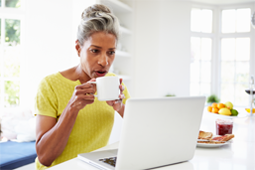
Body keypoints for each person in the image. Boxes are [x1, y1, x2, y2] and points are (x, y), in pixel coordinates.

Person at [34, 4, 130, 170]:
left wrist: (120, 108)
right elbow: (45, 157)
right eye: (95, 51)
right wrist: (72, 108)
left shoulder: (115, 85)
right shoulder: (49, 85)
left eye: (111, 52)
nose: (104, 62)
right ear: (79, 48)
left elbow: (144, 132)